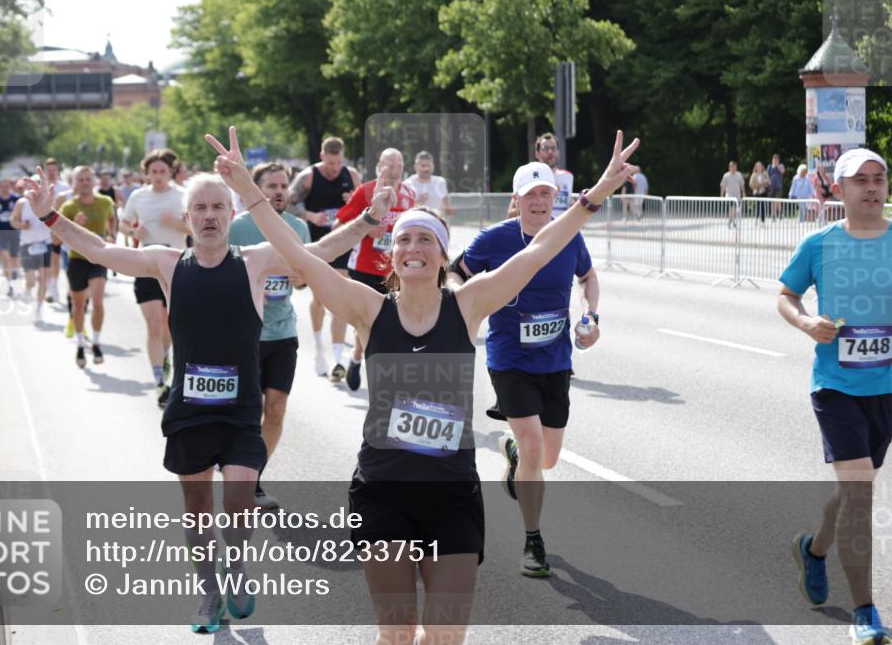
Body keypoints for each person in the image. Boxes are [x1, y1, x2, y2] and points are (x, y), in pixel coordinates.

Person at [208, 125, 639, 645]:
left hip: (452, 494)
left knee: (444, 637)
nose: (414, 246)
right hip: (383, 490)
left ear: (441, 254)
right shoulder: (368, 309)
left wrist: (598, 194)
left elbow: (540, 250)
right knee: (396, 635)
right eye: (404, 238)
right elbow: (299, 259)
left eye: (426, 239)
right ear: (391, 255)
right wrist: (247, 193)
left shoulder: (469, 303)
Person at [23, 160, 395, 633]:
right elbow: (99, 248)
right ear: (187, 216)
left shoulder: (256, 259)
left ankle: (236, 568)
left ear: (232, 209)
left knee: (238, 501)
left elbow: (317, 250)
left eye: (219, 206)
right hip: (190, 412)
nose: (209, 215)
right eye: (199, 208)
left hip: (241, 413)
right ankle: (208, 592)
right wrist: (49, 216)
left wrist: (368, 220)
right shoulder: (165, 263)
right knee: (198, 514)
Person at [449, 159, 602, 578]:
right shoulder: (495, 239)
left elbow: (588, 277)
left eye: (545, 194)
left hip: (555, 360)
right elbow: (454, 274)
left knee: (547, 458)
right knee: (536, 447)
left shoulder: (568, 236)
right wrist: (469, 306)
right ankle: (533, 540)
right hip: (510, 359)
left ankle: (514, 454)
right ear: (516, 201)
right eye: (530, 195)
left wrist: (592, 317)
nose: (538, 201)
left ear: (556, 198)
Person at [229, 160, 398, 508]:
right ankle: (237, 473)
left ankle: (254, 480)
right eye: (270, 185)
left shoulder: (297, 228)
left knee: (275, 409)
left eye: (282, 186)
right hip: (243, 337)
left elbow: (309, 272)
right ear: (256, 188)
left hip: (282, 333)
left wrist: (300, 279)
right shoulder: (236, 228)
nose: (277, 191)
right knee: (246, 412)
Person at [777, 148, 891, 645]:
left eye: (879, 179)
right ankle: (866, 612)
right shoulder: (820, 244)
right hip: (836, 387)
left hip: (885, 388)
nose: (871, 188)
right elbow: (785, 294)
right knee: (861, 496)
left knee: (852, 491)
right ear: (839, 190)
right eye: (860, 180)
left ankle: (813, 550)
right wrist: (806, 322)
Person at [334, 147, 416, 391]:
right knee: (366, 322)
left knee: (393, 322)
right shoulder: (366, 191)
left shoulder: (410, 194)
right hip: (364, 267)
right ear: (380, 166)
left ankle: (375, 367)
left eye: (399, 166)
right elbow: (339, 223)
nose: (394, 171)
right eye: (389, 166)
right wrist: (366, 228)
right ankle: (358, 358)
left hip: (395, 268)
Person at [287, 136, 363, 379]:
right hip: (315, 243)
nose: (334, 168)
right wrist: (310, 215)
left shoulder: (351, 175)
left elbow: (367, 206)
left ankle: (338, 358)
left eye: (338, 163)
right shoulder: (308, 177)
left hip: (341, 242)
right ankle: (320, 348)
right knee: (320, 298)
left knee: (339, 293)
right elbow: (287, 204)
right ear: (322, 157)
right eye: (330, 163)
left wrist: (353, 202)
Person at [119, 149, 188, 407]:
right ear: (146, 173)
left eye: (163, 171)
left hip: (176, 266)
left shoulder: (182, 196)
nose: (158, 176)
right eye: (153, 172)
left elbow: (196, 227)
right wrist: (134, 229)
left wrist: (175, 223)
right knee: (154, 326)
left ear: (170, 172)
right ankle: (159, 381)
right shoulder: (138, 196)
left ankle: (166, 356)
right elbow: (123, 224)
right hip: (146, 266)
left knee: (170, 325)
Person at [59, 166, 116, 368]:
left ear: (94, 182)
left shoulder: (105, 202)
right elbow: (57, 239)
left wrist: (111, 235)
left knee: (98, 301)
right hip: (77, 260)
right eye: (80, 179)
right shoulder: (69, 207)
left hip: (99, 259)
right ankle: (81, 344)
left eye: (88, 179)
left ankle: (97, 342)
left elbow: (111, 219)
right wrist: (74, 224)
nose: (85, 182)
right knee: (79, 306)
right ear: (74, 183)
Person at [506, 133, 575, 219]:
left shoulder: (568, 176)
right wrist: (535, 209)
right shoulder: (527, 175)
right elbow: (510, 214)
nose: (550, 152)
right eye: (545, 148)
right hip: (537, 230)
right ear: (537, 154)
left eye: (553, 148)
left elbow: (567, 206)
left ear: (558, 152)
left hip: (560, 230)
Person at [10, 189, 52, 322]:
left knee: (43, 278)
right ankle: (27, 291)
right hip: (27, 244)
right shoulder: (21, 203)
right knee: (31, 281)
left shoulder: (48, 202)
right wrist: (21, 225)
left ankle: (39, 308)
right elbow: (13, 221)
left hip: (45, 244)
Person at [43, 158, 72, 303]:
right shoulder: (41, 188)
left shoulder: (65, 187)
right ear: (45, 171)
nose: (52, 173)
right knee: (51, 261)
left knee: (62, 260)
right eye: (49, 170)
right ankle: (53, 289)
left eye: (54, 170)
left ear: (57, 171)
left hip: (61, 229)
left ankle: (67, 289)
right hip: (44, 230)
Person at [0, 178, 21, 294]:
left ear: (10, 187)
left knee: (13, 258)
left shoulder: (16, 199)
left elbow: (22, 213)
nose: (5, 188)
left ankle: (14, 273)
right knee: (5, 258)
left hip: (14, 232)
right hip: (1, 232)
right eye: (2, 186)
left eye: (7, 186)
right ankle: (9, 284)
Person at [404, 151, 452, 218]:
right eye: (423, 166)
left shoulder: (440, 182)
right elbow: (404, 210)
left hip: (436, 223)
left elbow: (446, 207)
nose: (426, 169)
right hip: (415, 222)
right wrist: (418, 203)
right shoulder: (408, 183)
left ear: (433, 166)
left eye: (429, 165)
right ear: (415, 167)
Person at [720, 161, 745, 228]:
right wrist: (721, 196)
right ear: (729, 167)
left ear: (736, 167)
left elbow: (742, 185)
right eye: (731, 166)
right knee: (732, 208)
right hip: (729, 195)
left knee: (735, 209)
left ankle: (731, 220)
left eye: (734, 166)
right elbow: (723, 186)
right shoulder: (726, 175)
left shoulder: (739, 175)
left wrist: (744, 193)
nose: (733, 168)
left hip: (737, 195)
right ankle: (732, 221)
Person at [768, 154, 786, 220]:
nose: (775, 160)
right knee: (773, 201)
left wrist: (777, 165)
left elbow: (782, 171)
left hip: (779, 186)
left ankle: (779, 213)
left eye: (776, 159)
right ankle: (773, 215)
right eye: (774, 159)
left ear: (778, 160)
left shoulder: (781, 166)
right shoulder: (770, 166)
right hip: (771, 186)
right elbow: (767, 175)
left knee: (777, 200)